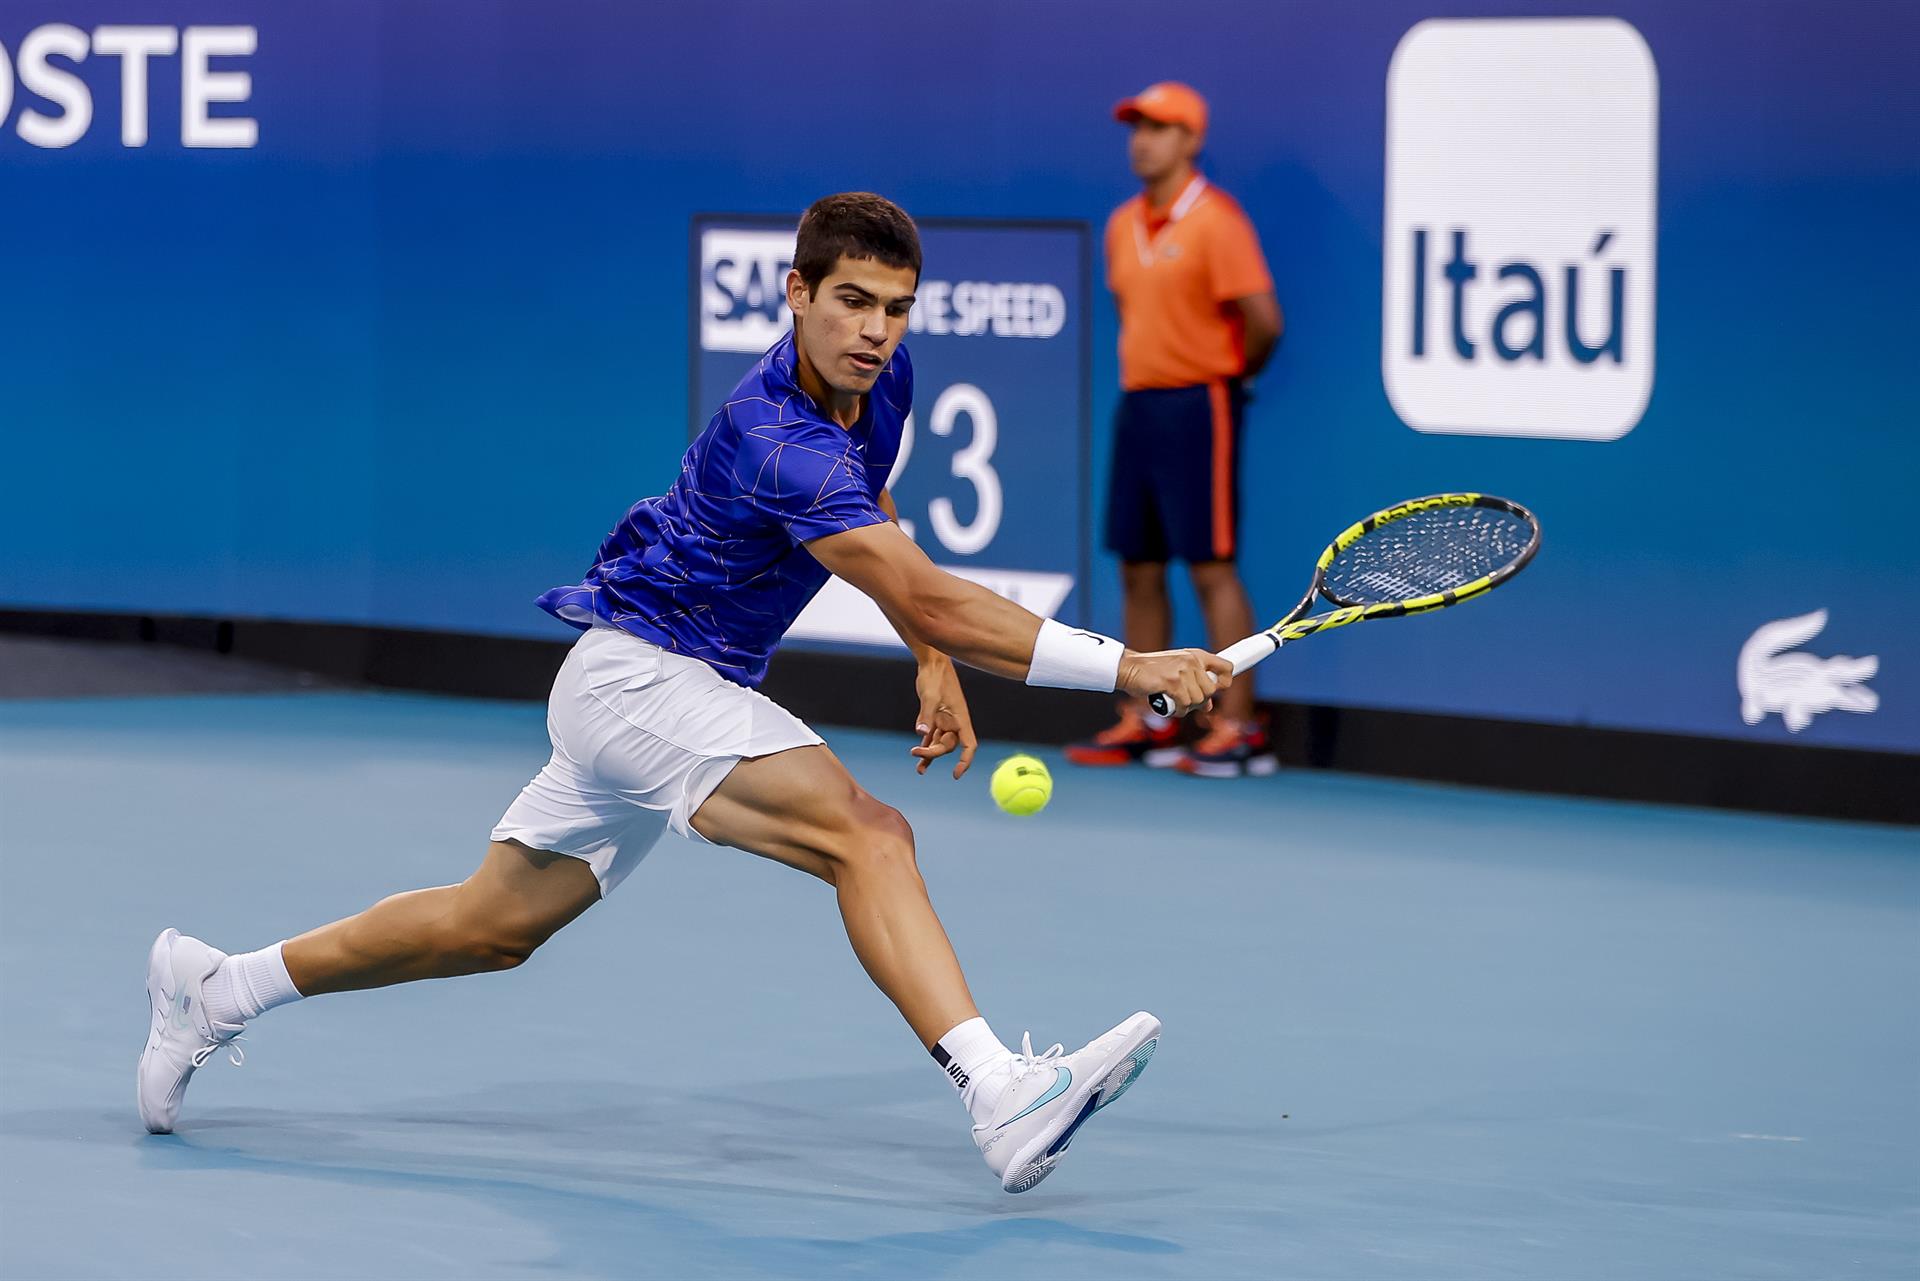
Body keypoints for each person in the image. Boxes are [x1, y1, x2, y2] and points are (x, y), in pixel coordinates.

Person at [137, 193, 1231, 1196]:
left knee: (491, 926)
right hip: (639, 678)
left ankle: (218, 988)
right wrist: (1128, 667)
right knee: (870, 836)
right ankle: (999, 1094)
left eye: (895, 309)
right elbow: (925, 590)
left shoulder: (879, 382)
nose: (875, 331)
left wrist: (931, 661)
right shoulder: (773, 438)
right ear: (795, 294)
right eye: (851, 302)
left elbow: (880, 518)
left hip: (655, 689)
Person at [1067, 82, 1284, 778]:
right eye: (1136, 126)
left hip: (1201, 405)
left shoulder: (1218, 221)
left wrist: (1224, 378)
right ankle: (1149, 716)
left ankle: (1237, 724)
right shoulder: (1120, 224)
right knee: (1138, 565)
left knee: (1211, 565)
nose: (1142, 140)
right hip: (1141, 407)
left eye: (1159, 128)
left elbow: (1263, 322)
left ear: (1190, 140)